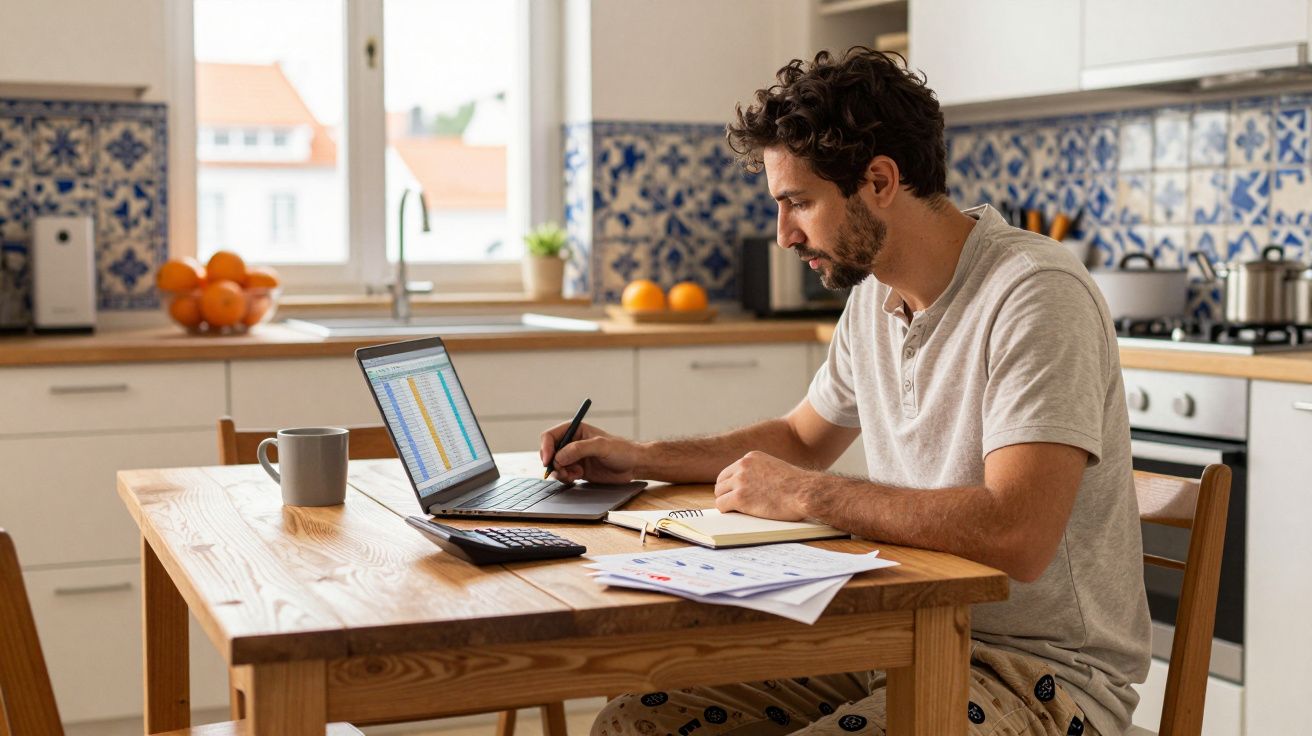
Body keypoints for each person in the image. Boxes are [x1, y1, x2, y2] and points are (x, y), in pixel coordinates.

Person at [543, 47, 1150, 736]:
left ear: (880, 180)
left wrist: (809, 495)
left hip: (1039, 679)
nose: (783, 235)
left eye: (799, 203)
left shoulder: (1035, 295)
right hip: (897, 635)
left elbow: (1018, 532)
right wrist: (642, 457)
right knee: (633, 722)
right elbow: (800, 438)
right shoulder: (874, 296)